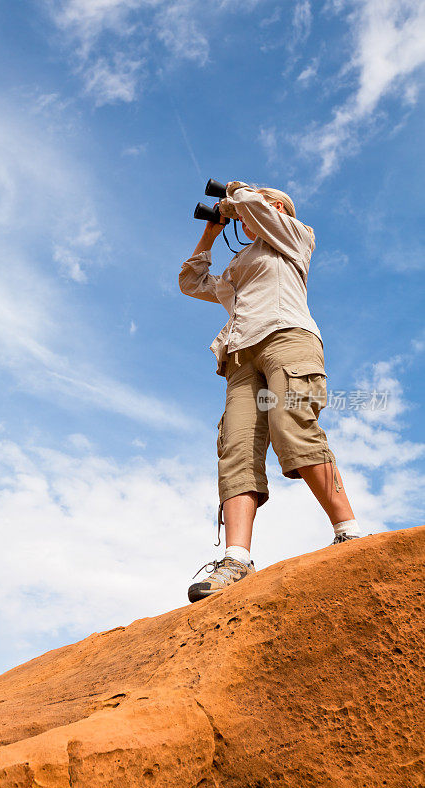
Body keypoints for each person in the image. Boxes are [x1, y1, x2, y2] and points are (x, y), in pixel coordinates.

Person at [179, 181, 362, 603]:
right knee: (237, 448)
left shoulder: (294, 237)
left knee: (291, 423)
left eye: (255, 204)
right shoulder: (238, 265)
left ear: (276, 206)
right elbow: (191, 281)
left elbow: (251, 206)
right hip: (241, 358)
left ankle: (348, 532)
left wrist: (240, 193)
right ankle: (236, 560)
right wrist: (212, 228)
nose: (241, 216)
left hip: (288, 341)